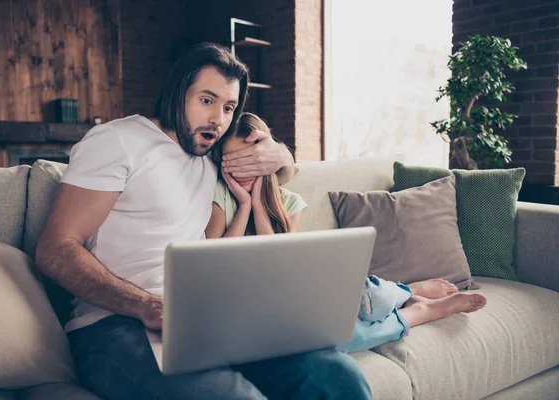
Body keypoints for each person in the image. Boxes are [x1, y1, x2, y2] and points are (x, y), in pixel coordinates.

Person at [35, 42, 372, 400]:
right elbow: (55, 248)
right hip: (114, 326)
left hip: (209, 322)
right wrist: (147, 306)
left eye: (228, 107)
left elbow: (283, 173)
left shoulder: (209, 153)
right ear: (178, 93)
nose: (218, 119)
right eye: (206, 101)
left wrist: (278, 152)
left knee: (338, 377)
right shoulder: (119, 141)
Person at [207, 112, 488, 355]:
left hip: (304, 286)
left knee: (368, 299)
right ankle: (418, 309)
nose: (243, 170)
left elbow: (278, 255)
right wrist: (245, 204)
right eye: (233, 161)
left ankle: (407, 291)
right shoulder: (221, 196)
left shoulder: (289, 202)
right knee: (343, 338)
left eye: (249, 160)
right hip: (266, 302)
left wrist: (259, 202)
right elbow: (216, 260)